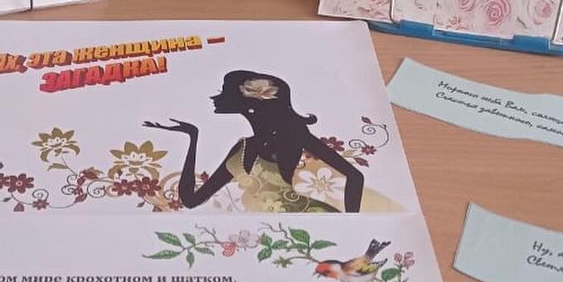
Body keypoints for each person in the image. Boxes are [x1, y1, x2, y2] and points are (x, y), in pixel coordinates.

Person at [145, 70, 402, 214]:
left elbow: (355, 176)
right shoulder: (243, 148)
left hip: (309, 219)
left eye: (224, 91)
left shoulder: (294, 135)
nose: (216, 97)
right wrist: (193, 138)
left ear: (249, 101)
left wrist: (351, 224)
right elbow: (191, 201)